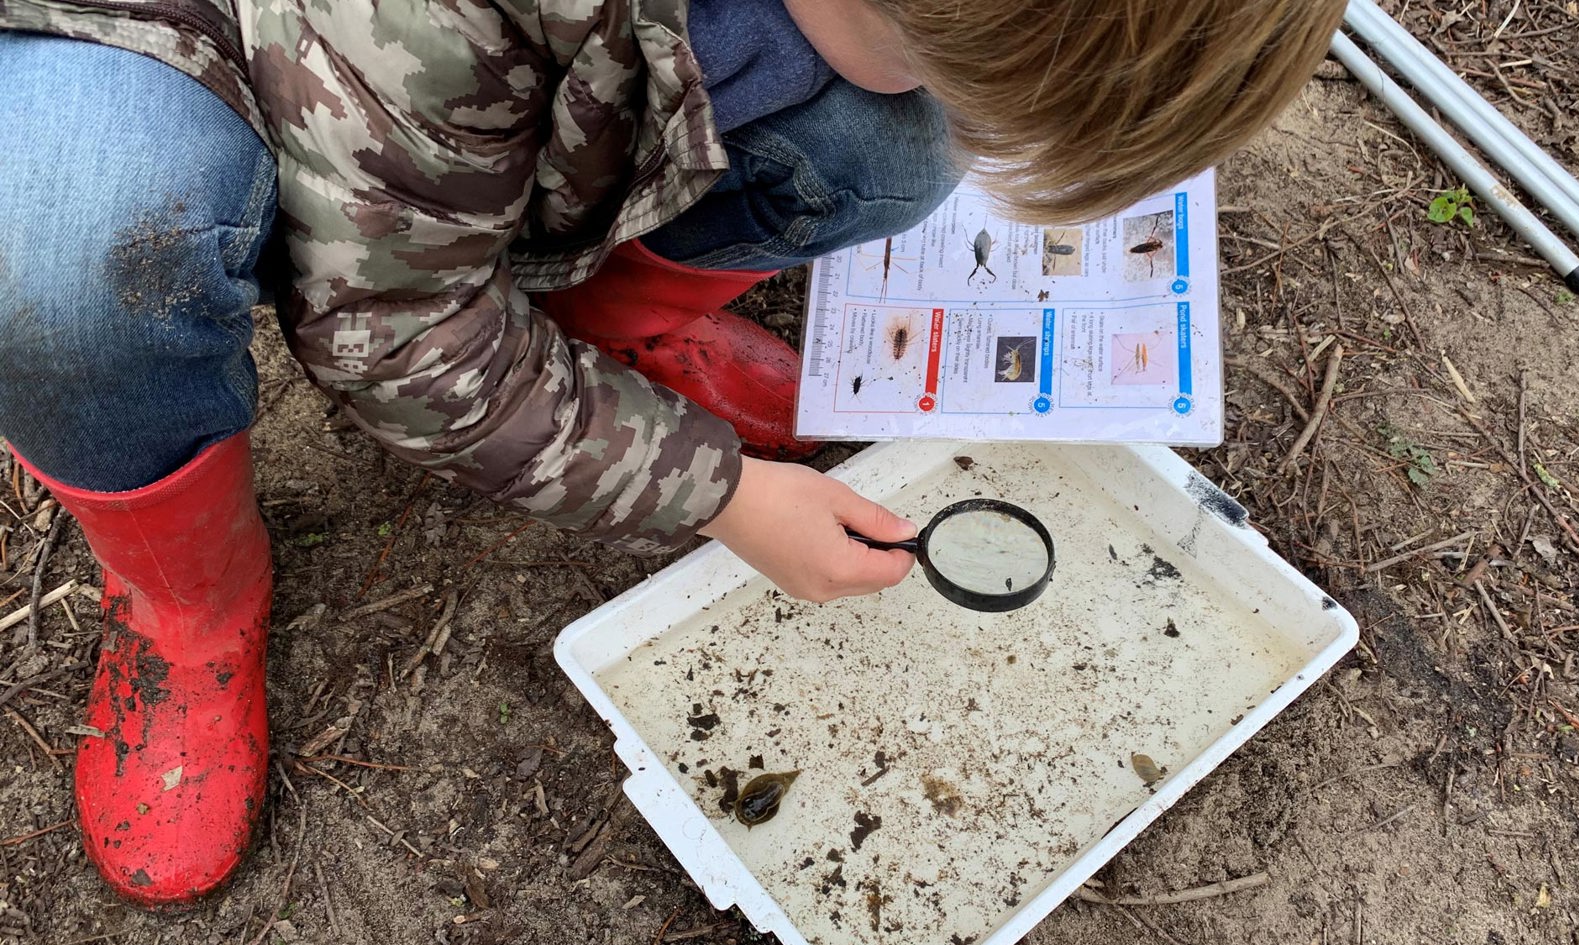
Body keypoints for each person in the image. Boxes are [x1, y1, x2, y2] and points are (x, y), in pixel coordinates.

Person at [0, 0, 1342, 907]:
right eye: (944, 57)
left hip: (460, 102)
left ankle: (597, 346)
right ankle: (187, 603)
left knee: (882, 148)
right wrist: (720, 494)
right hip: (155, 36)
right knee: (62, 261)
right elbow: (392, 339)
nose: (949, 99)